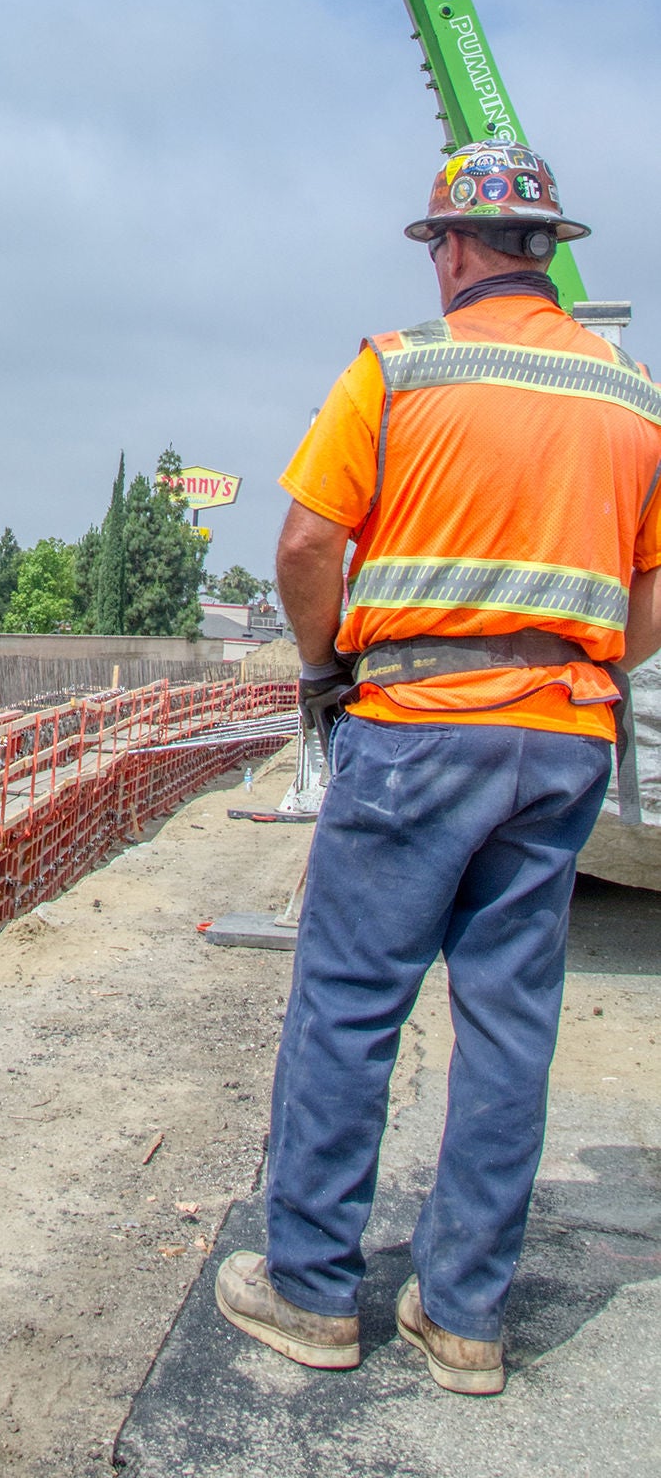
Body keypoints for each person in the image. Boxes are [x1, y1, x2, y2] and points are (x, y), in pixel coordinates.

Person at [215, 142, 661, 1396]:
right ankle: (465, 1316)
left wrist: (323, 673)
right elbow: (648, 595)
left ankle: (310, 1290)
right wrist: (572, 666)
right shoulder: (633, 395)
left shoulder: (401, 369)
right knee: (511, 1023)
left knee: (353, 1002)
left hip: (418, 726)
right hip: (567, 735)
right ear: (548, 248)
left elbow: (309, 543)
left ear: (451, 248)